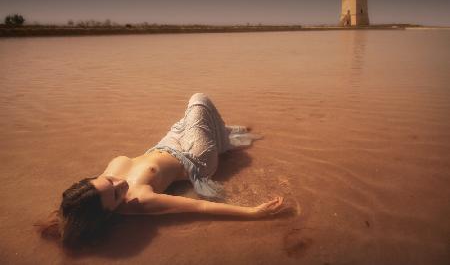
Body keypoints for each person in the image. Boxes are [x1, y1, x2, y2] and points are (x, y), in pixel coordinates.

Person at [37, 93, 284, 249]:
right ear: (110, 212)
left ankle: (222, 133)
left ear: (92, 180)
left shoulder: (97, 190)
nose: (118, 184)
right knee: (199, 100)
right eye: (114, 195)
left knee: (191, 119)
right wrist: (253, 212)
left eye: (107, 181)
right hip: (195, 159)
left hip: (167, 142)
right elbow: (201, 207)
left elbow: (80, 205)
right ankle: (223, 138)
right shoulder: (139, 200)